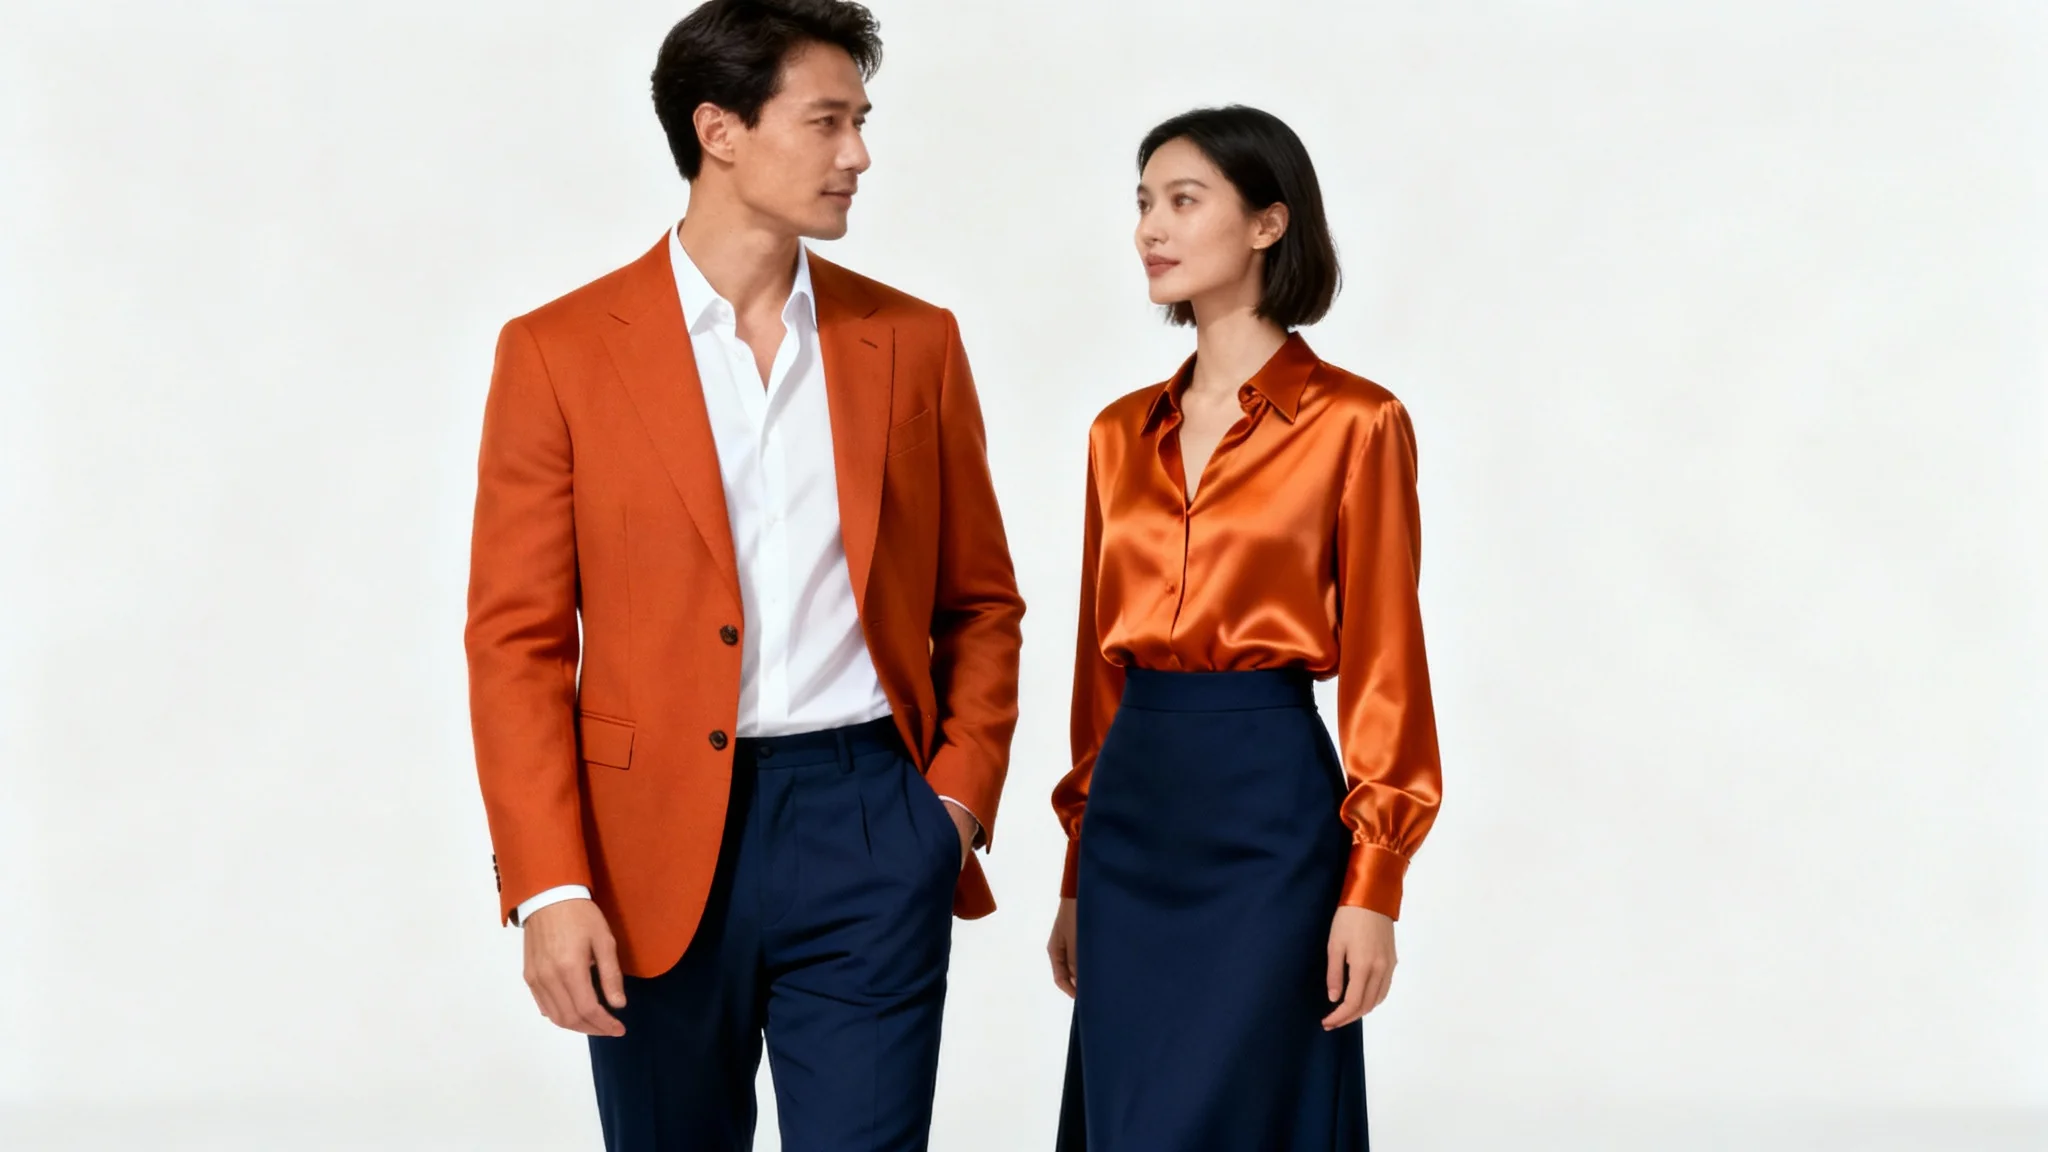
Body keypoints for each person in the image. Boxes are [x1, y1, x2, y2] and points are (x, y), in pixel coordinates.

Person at [464, 3, 1025, 1149]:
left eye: (860, 122)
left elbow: (979, 601)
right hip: (645, 844)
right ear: (717, 129)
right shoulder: (558, 352)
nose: (857, 154)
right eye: (826, 122)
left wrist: (952, 808)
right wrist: (550, 885)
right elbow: (515, 640)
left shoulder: (914, 343)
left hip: (871, 822)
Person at [1047, 105, 1444, 1150]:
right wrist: (1075, 872)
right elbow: (1096, 672)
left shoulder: (1357, 423)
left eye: (1182, 201)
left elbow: (1385, 666)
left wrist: (1373, 887)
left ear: (1268, 225)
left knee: (1244, 1109)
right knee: (1134, 1115)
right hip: (1133, 816)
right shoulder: (1115, 435)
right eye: (1141, 203)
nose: (1149, 229)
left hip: (1269, 815)